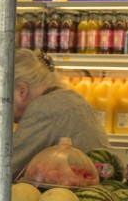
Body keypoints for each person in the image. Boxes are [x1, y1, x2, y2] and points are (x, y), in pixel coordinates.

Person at [9, 47, 110, 180]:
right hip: (98, 189)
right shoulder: (71, 98)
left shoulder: (43, 108)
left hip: (78, 193)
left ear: (22, 90)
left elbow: (6, 168)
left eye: (4, 98)